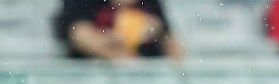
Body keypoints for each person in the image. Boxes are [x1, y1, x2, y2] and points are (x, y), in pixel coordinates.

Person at [54, 0, 183, 60]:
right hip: (92, 82)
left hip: (145, 82)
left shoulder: (150, 4)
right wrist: (108, 44)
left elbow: (171, 43)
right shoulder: (82, 4)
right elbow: (78, 34)